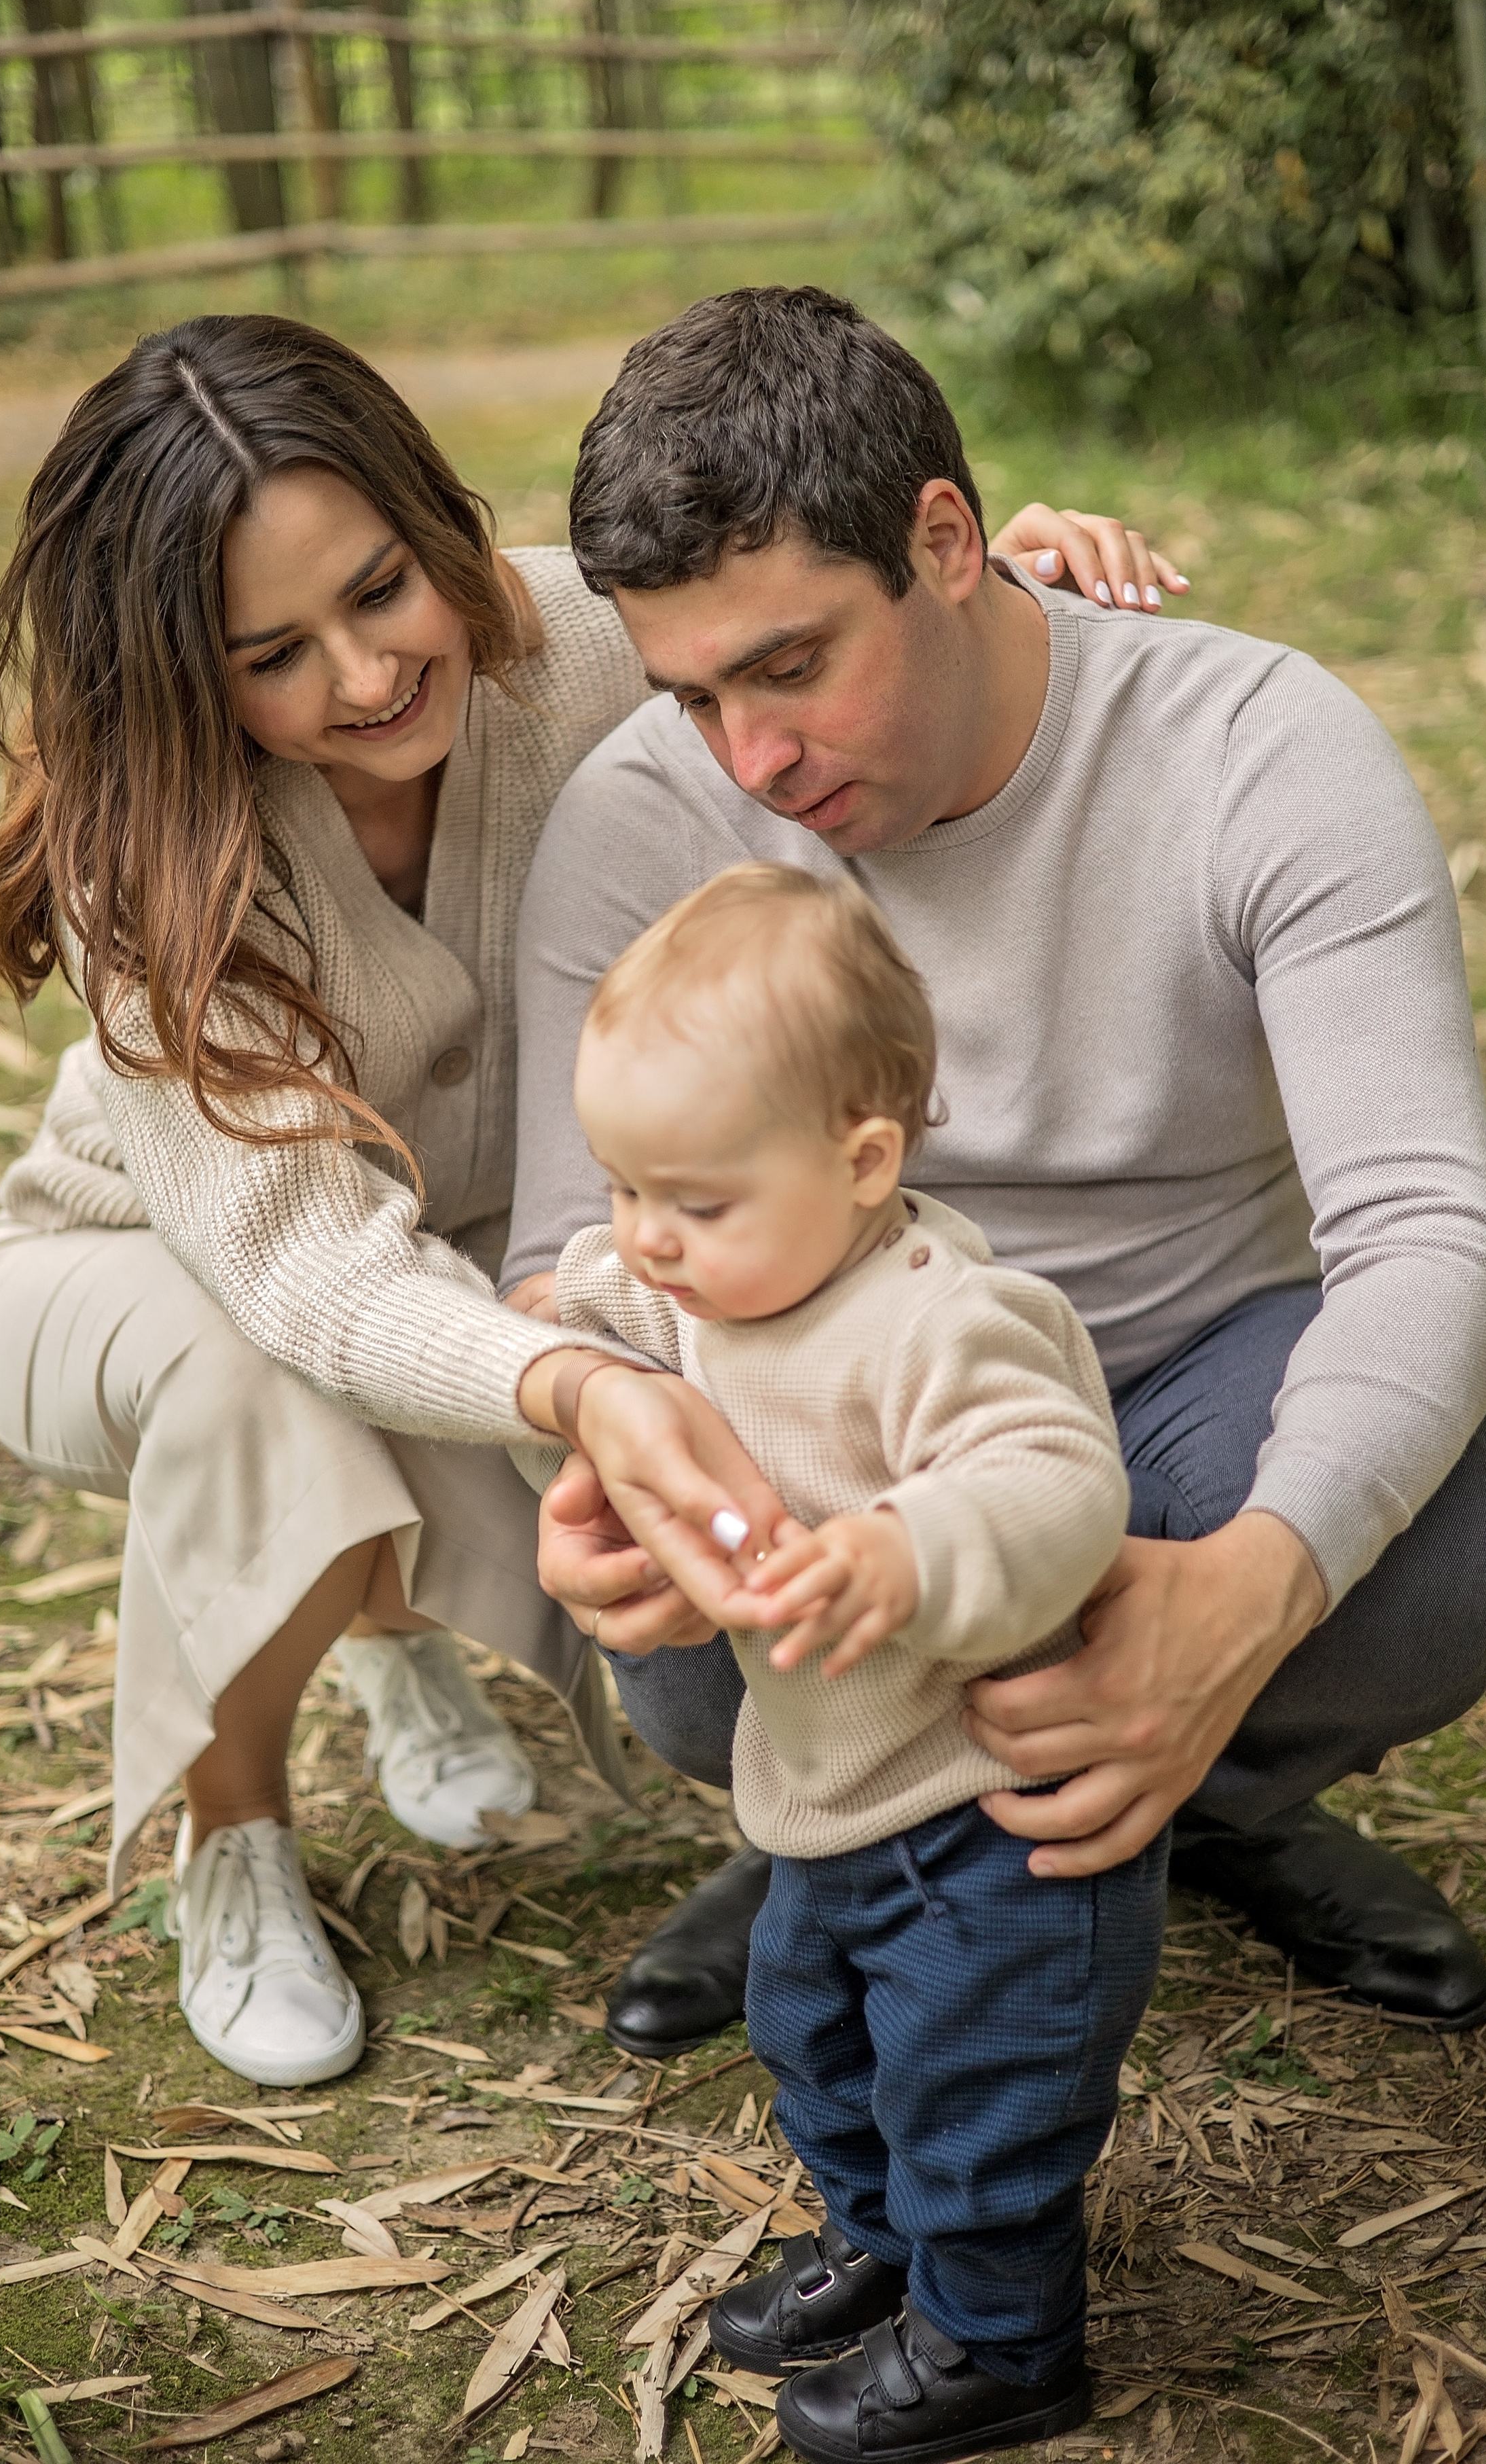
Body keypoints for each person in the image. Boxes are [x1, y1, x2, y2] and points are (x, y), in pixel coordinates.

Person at [0, 307, 1157, 2088]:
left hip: (441, 1238)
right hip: (143, 1259)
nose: (362, 677)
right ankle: (236, 1835)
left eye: (379, 590)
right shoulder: (164, 852)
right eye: (271, 654)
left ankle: (374, 1628)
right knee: (261, 1368)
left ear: (430, 523)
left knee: (470, 1333)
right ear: (189, 676)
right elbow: (307, 1267)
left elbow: (809, 607)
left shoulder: (578, 642)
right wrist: (585, 1379)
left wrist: (1000, 578)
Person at [501, 283, 1486, 2067]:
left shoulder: (1261, 755)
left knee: (1432, 1548)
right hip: (843, 1420)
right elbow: (560, 1255)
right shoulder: (636, 819)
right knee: (678, 1637)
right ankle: (840, 1822)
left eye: (793, 663)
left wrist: (1255, 1588)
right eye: (694, 694)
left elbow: (1428, 1233)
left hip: (1192, 1388)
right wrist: (606, 1441)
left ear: (946, 539)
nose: (753, 759)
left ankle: (1193, 1789)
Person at [539, 861, 1144, 2457]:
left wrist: (903, 1546)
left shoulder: (940, 1320)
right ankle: (880, 2245)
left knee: (976, 2095)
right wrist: (564, 1365)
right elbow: (568, 1310)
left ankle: (1002, 2342)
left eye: (692, 1200)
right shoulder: (703, 1283)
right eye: (622, 1186)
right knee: (814, 2041)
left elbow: (1058, 1486)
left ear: (862, 1159)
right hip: (826, 1795)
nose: (645, 1240)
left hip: (990, 1821)